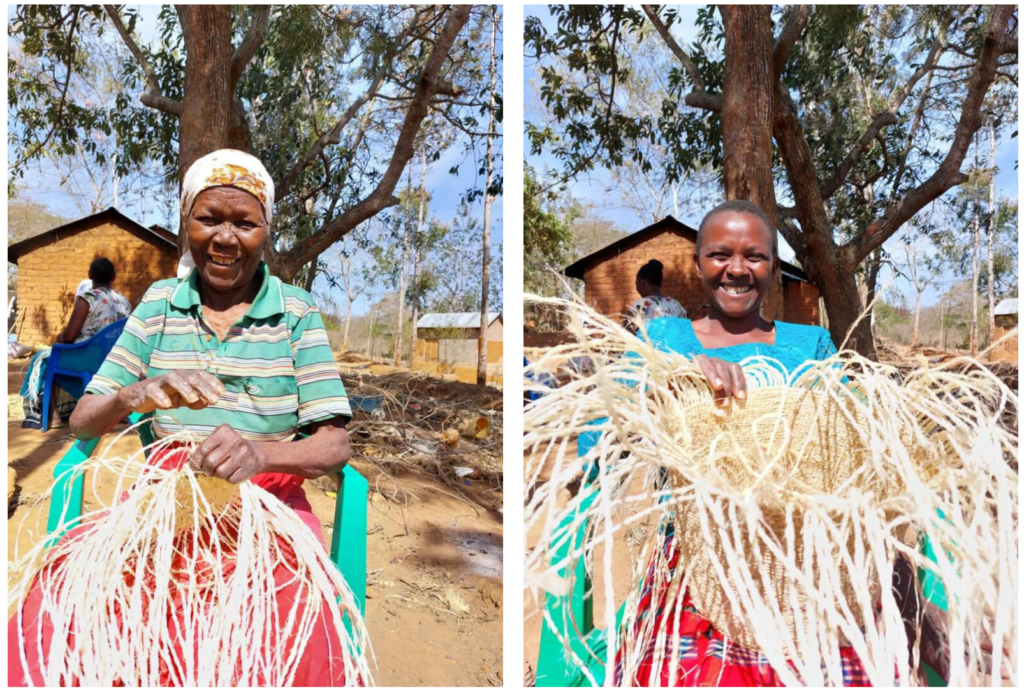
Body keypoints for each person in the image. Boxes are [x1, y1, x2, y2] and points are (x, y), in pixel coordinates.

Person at [9, 149, 358, 686]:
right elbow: (82, 420)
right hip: (163, 503)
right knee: (63, 612)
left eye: (244, 222)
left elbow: (335, 446)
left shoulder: (297, 313)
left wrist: (261, 452)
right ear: (185, 225)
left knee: (284, 628)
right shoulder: (158, 305)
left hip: (266, 507)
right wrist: (136, 394)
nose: (225, 237)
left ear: (266, 230)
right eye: (209, 218)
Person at [605, 200, 945, 686]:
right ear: (698, 261)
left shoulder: (810, 345)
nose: (737, 270)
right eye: (721, 254)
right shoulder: (664, 337)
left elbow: (856, 448)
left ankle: (928, 637)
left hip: (811, 564)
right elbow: (610, 423)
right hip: (701, 565)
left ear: (773, 264)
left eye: (755, 256)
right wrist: (675, 378)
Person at [20, 257, 131, 428]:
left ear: (89, 275)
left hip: (85, 358)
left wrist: (59, 337)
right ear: (113, 277)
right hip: (111, 360)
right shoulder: (124, 302)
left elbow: (70, 336)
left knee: (43, 359)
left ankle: (53, 415)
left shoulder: (87, 298)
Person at [626, 259, 686, 332]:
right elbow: (685, 333)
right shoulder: (676, 304)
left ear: (642, 282)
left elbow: (628, 337)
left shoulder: (640, 305)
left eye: (636, 284)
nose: (636, 289)